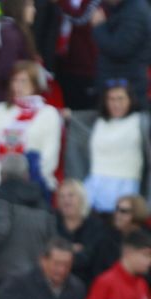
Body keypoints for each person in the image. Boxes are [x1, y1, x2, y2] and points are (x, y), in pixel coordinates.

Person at [0, 62, 62, 205]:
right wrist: (1, 176)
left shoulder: (49, 114)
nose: (18, 86)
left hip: (34, 186)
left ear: (35, 84)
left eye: (24, 81)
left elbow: (50, 156)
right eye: (15, 80)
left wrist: (26, 178)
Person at [0, 154, 58, 285]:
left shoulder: (0, 196)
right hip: (34, 279)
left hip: (1, 277)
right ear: (26, 175)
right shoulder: (42, 202)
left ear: (2, 175)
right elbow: (52, 239)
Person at [86, 83, 146, 213]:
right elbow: (76, 119)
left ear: (130, 100)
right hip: (94, 183)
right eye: (111, 99)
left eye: (120, 99)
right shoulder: (98, 121)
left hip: (126, 184)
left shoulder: (141, 121)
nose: (116, 104)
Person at [93, 0, 151, 109]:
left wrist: (99, 27)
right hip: (118, 84)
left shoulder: (135, 11)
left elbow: (119, 48)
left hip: (127, 89)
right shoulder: (124, 8)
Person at [56, 180, 113, 284]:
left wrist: (62, 252)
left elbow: (88, 258)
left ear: (82, 199)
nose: (66, 200)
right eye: (61, 196)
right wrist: (71, 248)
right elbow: (47, 254)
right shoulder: (52, 222)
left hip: (85, 281)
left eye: (70, 196)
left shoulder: (96, 226)